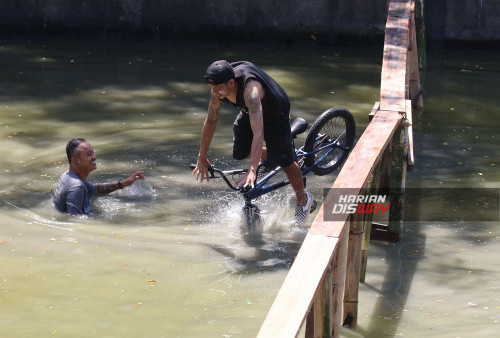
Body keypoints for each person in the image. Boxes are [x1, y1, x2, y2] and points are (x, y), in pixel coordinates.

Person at [192, 60, 313, 226]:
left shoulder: (251, 92)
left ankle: (303, 199)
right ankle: (268, 156)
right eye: (211, 88)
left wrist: (252, 170)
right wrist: (202, 156)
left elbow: (258, 133)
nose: (214, 92)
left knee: (285, 159)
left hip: (275, 111)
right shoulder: (219, 89)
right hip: (249, 110)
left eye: (217, 88)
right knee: (239, 152)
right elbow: (211, 120)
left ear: (231, 83)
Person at [52, 138, 145, 215]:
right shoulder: (77, 187)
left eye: (93, 152)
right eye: (89, 154)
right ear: (75, 161)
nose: (94, 157)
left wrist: (124, 183)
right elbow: (75, 222)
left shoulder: (68, 176)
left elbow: (95, 190)